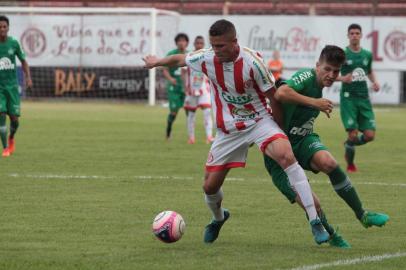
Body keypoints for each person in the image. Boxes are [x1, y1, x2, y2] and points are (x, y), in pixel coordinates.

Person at [144, 19, 330, 245]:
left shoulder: (253, 63)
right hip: (228, 130)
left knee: (286, 155)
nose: (216, 50)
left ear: (234, 42)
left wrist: (281, 130)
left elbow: (274, 97)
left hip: (259, 121)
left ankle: (314, 221)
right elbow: (180, 59)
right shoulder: (206, 57)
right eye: (213, 45)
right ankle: (218, 218)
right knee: (210, 186)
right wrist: (156, 62)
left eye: (220, 46)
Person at [264, 45, 389, 248]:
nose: (331, 75)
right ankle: (331, 235)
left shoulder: (323, 80)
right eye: (327, 69)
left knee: (329, 162)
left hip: (303, 140)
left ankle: (363, 215)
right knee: (312, 203)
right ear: (317, 66)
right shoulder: (306, 75)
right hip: (278, 151)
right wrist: (315, 102)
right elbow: (281, 93)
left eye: (336, 71)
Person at [336, 24, 380, 173]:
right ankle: (350, 165)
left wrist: (374, 81)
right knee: (353, 133)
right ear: (348, 36)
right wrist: (343, 78)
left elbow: (369, 70)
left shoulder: (367, 54)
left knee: (369, 135)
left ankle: (349, 143)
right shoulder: (342, 54)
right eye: (352, 33)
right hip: (348, 100)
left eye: (357, 33)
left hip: (364, 99)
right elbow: (332, 74)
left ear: (361, 36)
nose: (354, 35)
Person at [0, 15, 32, 157]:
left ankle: (11, 138)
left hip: (12, 87)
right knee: (1, 114)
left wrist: (28, 78)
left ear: (8, 28)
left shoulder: (14, 43)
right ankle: (5, 148)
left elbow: (24, 61)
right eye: (0, 27)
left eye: (4, 26)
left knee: (14, 120)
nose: (2, 29)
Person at [182, 36, 213, 144]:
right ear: (194, 44)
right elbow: (183, 71)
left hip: (204, 90)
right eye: (197, 43)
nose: (199, 45)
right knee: (191, 115)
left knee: (207, 112)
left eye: (201, 43)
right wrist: (184, 85)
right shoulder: (189, 56)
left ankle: (209, 136)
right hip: (191, 91)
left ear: (203, 44)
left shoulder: (207, 56)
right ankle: (191, 138)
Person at [163, 33, 189, 140]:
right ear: (176, 43)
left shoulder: (190, 54)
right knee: (174, 111)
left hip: (186, 87)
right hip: (174, 87)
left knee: (189, 110)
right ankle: (168, 133)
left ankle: (190, 136)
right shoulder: (171, 54)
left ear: (187, 43)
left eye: (183, 40)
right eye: (179, 41)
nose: (181, 43)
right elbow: (165, 69)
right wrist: (170, 79)